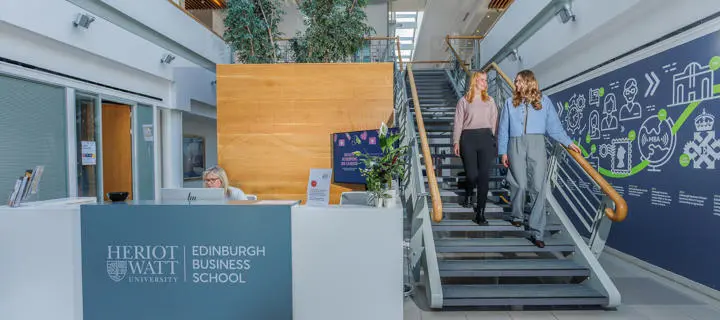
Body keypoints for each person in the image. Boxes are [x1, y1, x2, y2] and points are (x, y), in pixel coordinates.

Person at [497, 70, 580, 248]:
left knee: (537, 187)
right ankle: (517, 215)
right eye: (515, 81)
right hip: (515, 143)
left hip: (537, 144)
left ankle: (537, 231)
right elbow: (503, 129)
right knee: (518, 183)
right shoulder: (509, 103)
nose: (516, 84)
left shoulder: (544, 101)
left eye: (519, 81)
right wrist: (503, 152)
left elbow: (554, 126)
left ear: (528, 82)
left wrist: (568, 142)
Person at [453, 71, 498, 225]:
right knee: (472, 175)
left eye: (486, 80)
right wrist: (456, 142)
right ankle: (468, 192)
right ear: (474, 81)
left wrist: (494, 141)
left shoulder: (490, 101)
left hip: (486, 138)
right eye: (482, 80)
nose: (485, 82)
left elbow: (494, 122)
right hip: (468, 139)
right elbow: (458, 123)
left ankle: (480, 213)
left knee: (484, 177)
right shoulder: (463, 101)